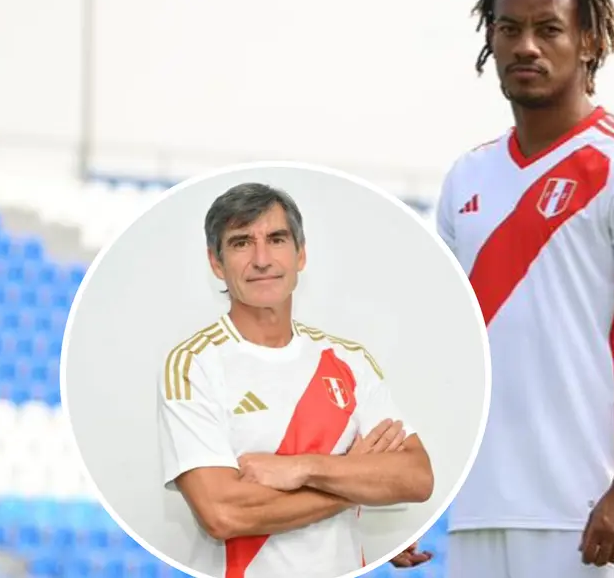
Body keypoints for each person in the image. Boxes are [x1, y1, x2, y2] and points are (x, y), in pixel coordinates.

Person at [431, 0, 614, 576]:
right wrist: (403, 503)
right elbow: (444, 348)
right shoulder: (467, 176)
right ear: (490, 41)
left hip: (588, 517)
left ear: (589, 41)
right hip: (478, 514)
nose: (526, 45)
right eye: (509, 29)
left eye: (548, 29)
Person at [156, 182, 435, 578]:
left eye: (276, 238)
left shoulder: (349, 361)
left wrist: (303, 468)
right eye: (240, 243)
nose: (262, 258)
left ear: (300, 254)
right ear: (216, 263)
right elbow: (222, 513)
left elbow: (416, 477)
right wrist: (351, 478)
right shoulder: (192, 364)